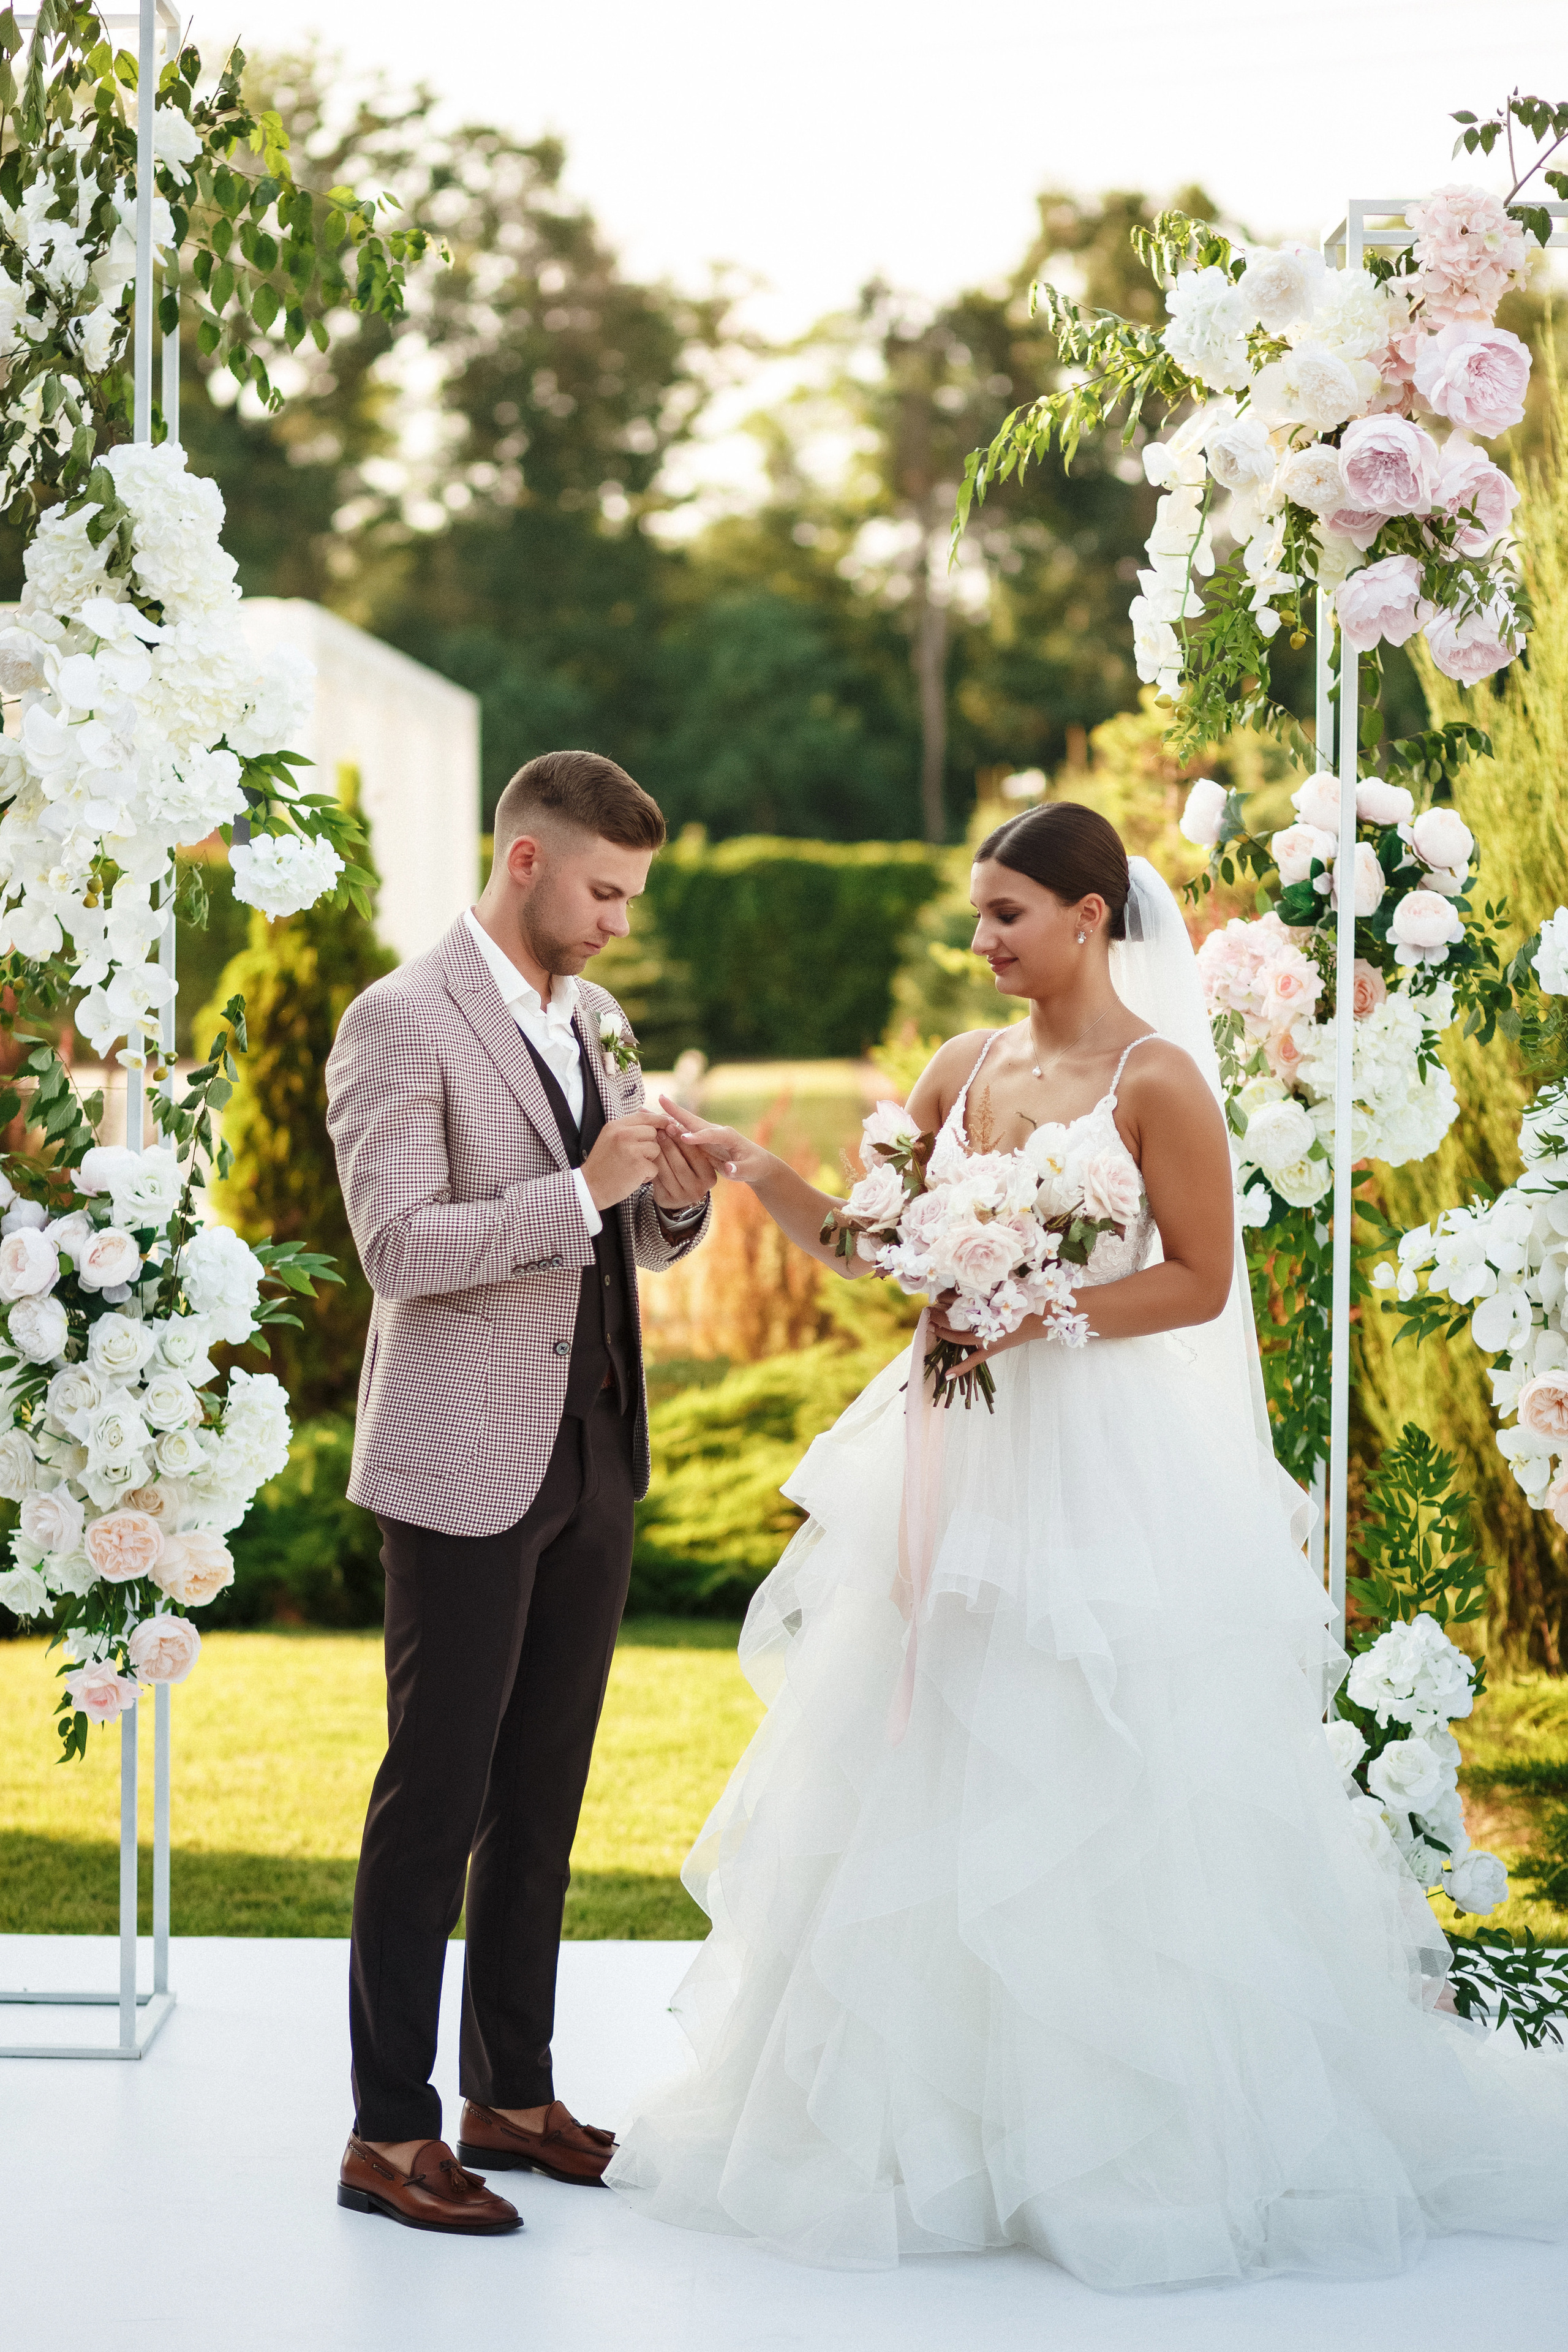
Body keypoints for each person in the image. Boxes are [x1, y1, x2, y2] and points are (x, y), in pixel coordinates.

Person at [605, 802, 1568, 2286]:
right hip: (952, 1451)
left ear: (1089, 915)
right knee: (921, 1752)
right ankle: (933, 2126)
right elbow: (874, 1248)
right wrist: (745, 1166)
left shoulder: (1155, 1078)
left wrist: (1035, 1307)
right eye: (976, 912)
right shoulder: (957, 1069)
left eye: (1004, 913)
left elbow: (1196, 1282)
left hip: (1096, 1462)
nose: (980, 940)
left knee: (1089, 1749)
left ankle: (1113, 2136)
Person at [325, 749, 714, 2236]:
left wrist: (670, 1195)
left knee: (541, 1792)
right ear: (526, 861)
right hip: (457, 1457)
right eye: (605, 892)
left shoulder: (593, 1018)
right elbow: (396, 1250)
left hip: (595, 1449)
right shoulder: (398, 1019)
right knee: (434, 1797)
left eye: (634, 897)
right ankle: (385, 2132)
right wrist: (583, 1191)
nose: (620, 921)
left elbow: (629, 1237)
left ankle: (511, 2093)